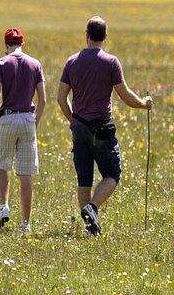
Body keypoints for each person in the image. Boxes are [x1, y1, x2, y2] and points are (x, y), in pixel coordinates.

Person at [57, 16, 153, 236]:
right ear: (105, 37)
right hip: (102, 127)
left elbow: (61, 97)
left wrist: (72, 119)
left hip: (79, 127)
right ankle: (92, 208)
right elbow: (125, 96)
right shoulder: (111, 62)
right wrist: (143, 104)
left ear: (87, 35)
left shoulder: (72, 62)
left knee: (84, 178)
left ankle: (90, 227)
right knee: (112, 173)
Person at [0, 27, 46, 233]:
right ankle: (26, 223)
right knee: (25, 173)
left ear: (6, 45)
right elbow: (43, 99)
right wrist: (35, 122)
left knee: (2, 165)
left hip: (7, 116)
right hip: (27, 117)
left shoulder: (1, 63)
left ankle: (4, 206)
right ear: (22, 44)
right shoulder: (35, 64)